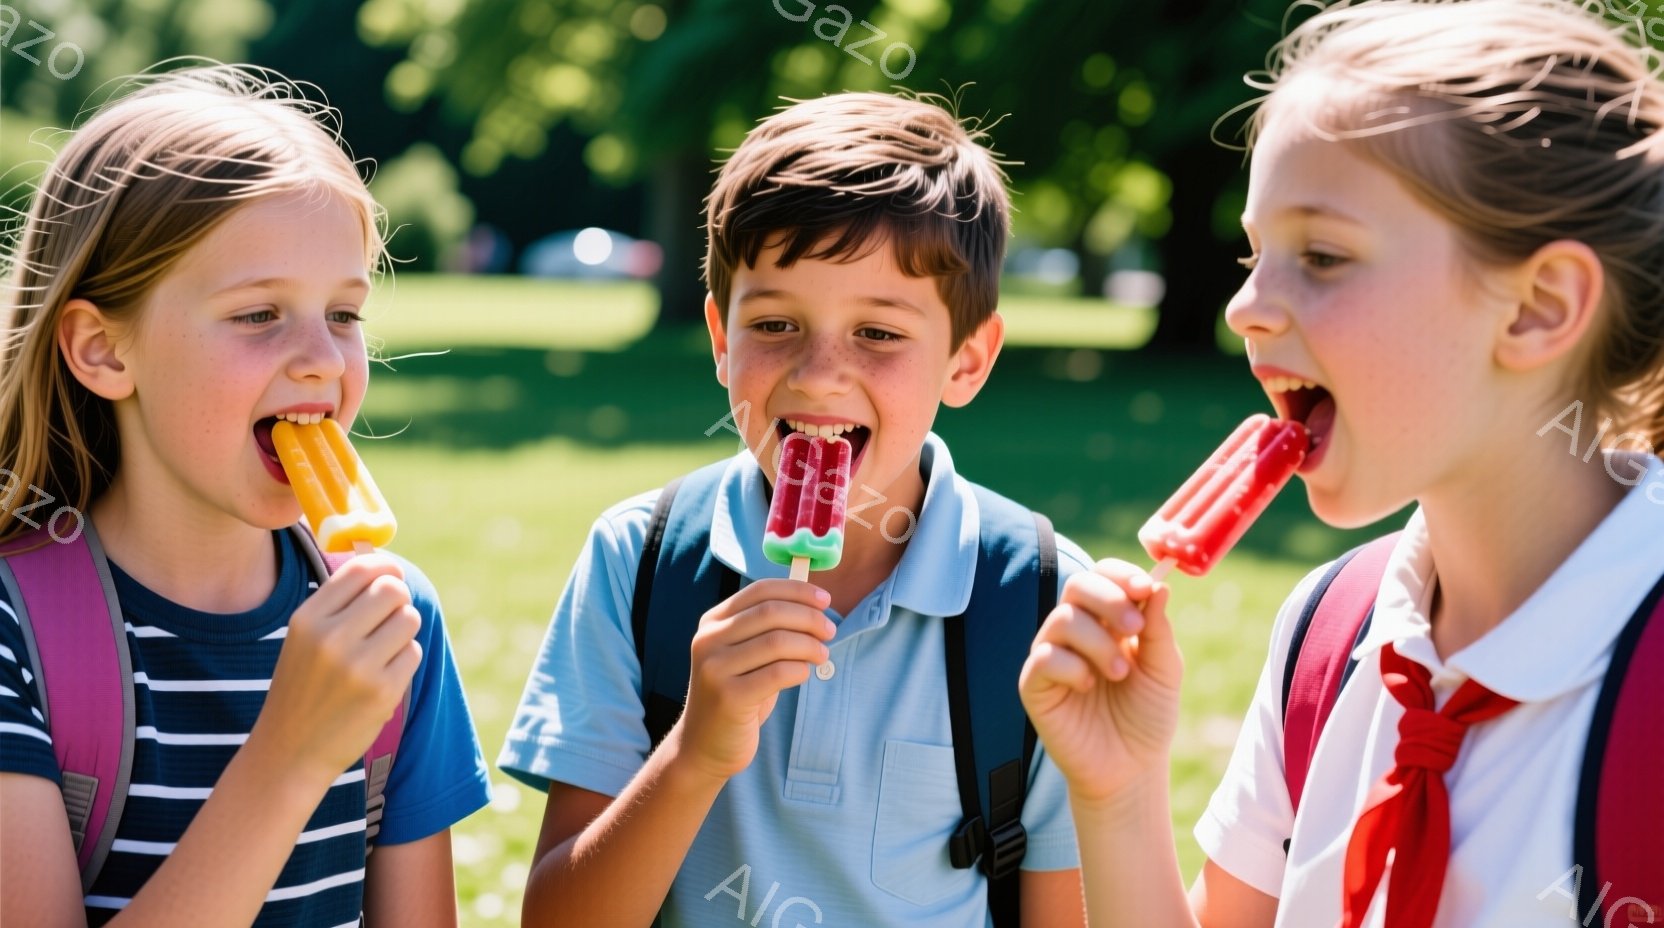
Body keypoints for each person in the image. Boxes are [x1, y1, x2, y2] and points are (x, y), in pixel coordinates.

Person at [1021, 1, 1664, 925]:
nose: (1245, 307)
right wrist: (1117, 794)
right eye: (1253, 254)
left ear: (1537, 308)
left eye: (1320, 255)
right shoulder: (1330, 630)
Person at [499, 91, 1090, 927]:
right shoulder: (641, 560)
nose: (817, 376)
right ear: (719, 337)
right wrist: (696, 753)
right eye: (775, 324)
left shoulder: (1040, 599)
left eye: (878, 335)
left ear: (966, 361)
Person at [0, 64, 491, 927]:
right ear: (103, 351)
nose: (324, 360)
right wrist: (290, 759)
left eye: (344, 313)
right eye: (259, 314)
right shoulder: (15, 629)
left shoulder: (395, 618)